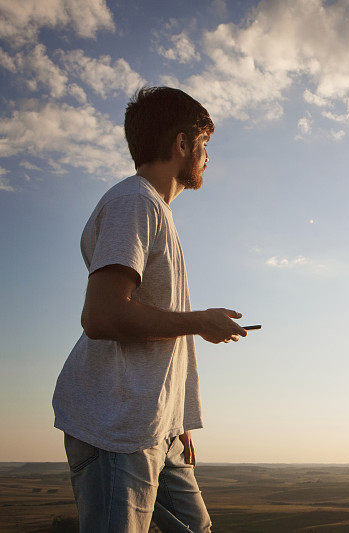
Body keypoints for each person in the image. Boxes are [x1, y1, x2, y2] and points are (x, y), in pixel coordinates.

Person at [52, 86, 248, 532]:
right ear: (182, 144)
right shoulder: (134, 202)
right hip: (116, 426)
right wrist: (199, 322)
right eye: (205, 145)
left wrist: (179, 420)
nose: (207, 157)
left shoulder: (154, 210)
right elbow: (102, 315)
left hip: (156, 423)